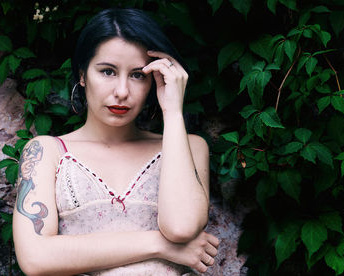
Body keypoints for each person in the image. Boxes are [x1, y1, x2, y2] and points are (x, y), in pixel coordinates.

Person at [13, 8, 219, 275]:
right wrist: (159, 244)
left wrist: (173, 111)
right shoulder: (47, 152)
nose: (122, 92)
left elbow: (181, 227)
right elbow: (35, 258)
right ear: (82, 75)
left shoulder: (190, 147)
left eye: (137, 75)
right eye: (108, 71)